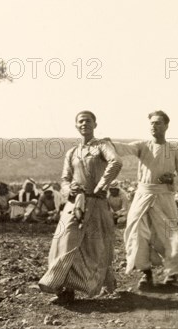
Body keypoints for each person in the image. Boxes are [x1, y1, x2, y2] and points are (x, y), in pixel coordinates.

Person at [39, 111, 123, 304]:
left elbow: (116, 162)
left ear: (95, 124)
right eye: (80, 121)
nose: (84, 123)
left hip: (97, 203)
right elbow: (65, 179)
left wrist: (102, 185)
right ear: (76, 126)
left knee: (96, 246)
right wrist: (70, 190)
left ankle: (96, 283)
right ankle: (63, 288)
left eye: (88, 120)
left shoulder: (103, 145)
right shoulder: (72, 152)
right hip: (74, 203)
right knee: (64, 242)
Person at [110, 110, 178, 288]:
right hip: (143, 195)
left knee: (169, 235)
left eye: (158, 123)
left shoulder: (174, 150)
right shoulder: (142, 146)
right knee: (137, 233)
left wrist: (172, 179)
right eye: (152, 123)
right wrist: (105, 143)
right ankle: (146, 273)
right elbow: (124, 148)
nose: (154, 126)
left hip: (164, 197)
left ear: (167, 126)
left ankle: (174, 273)